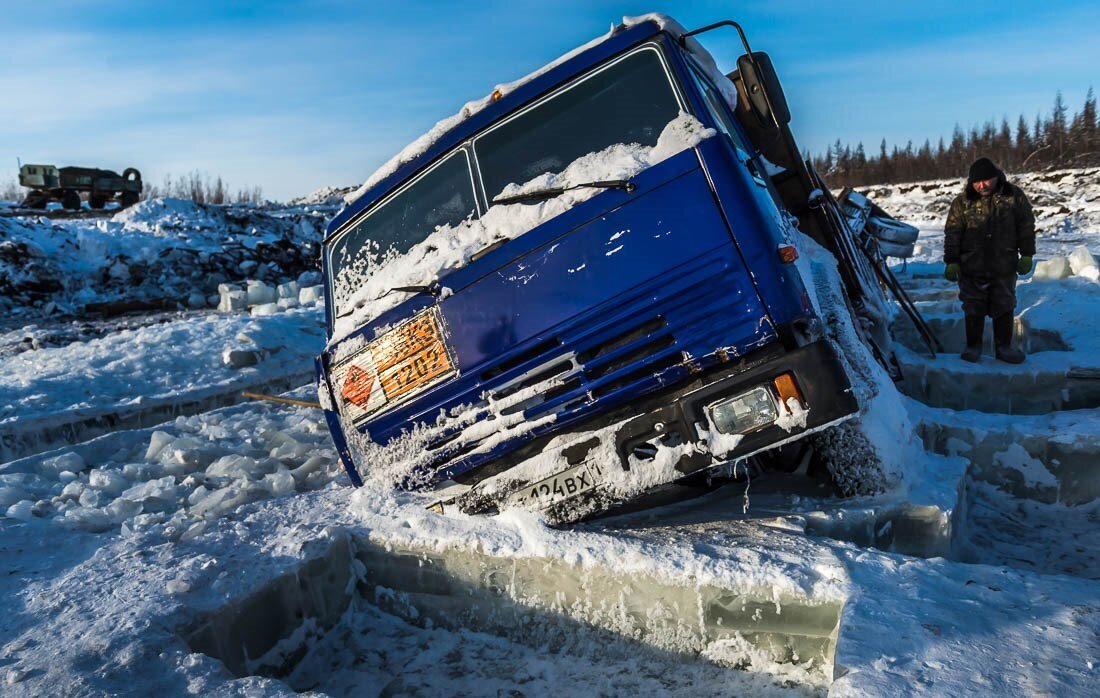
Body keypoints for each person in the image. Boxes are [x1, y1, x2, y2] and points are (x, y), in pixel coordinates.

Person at [943, 157, 1035, 363]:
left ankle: (1004, 348)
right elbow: (953, 232)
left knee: (1004, 304)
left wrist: (1027, 254)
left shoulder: (1013, 196)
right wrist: (952, 260)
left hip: (1004, 263)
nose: (982, 185)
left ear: (996, 177)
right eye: (977, 182)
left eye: (986, 180)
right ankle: (973, 346)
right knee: (973, 305)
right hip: (971, 265)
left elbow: (1026, 226)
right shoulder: (962, 201)